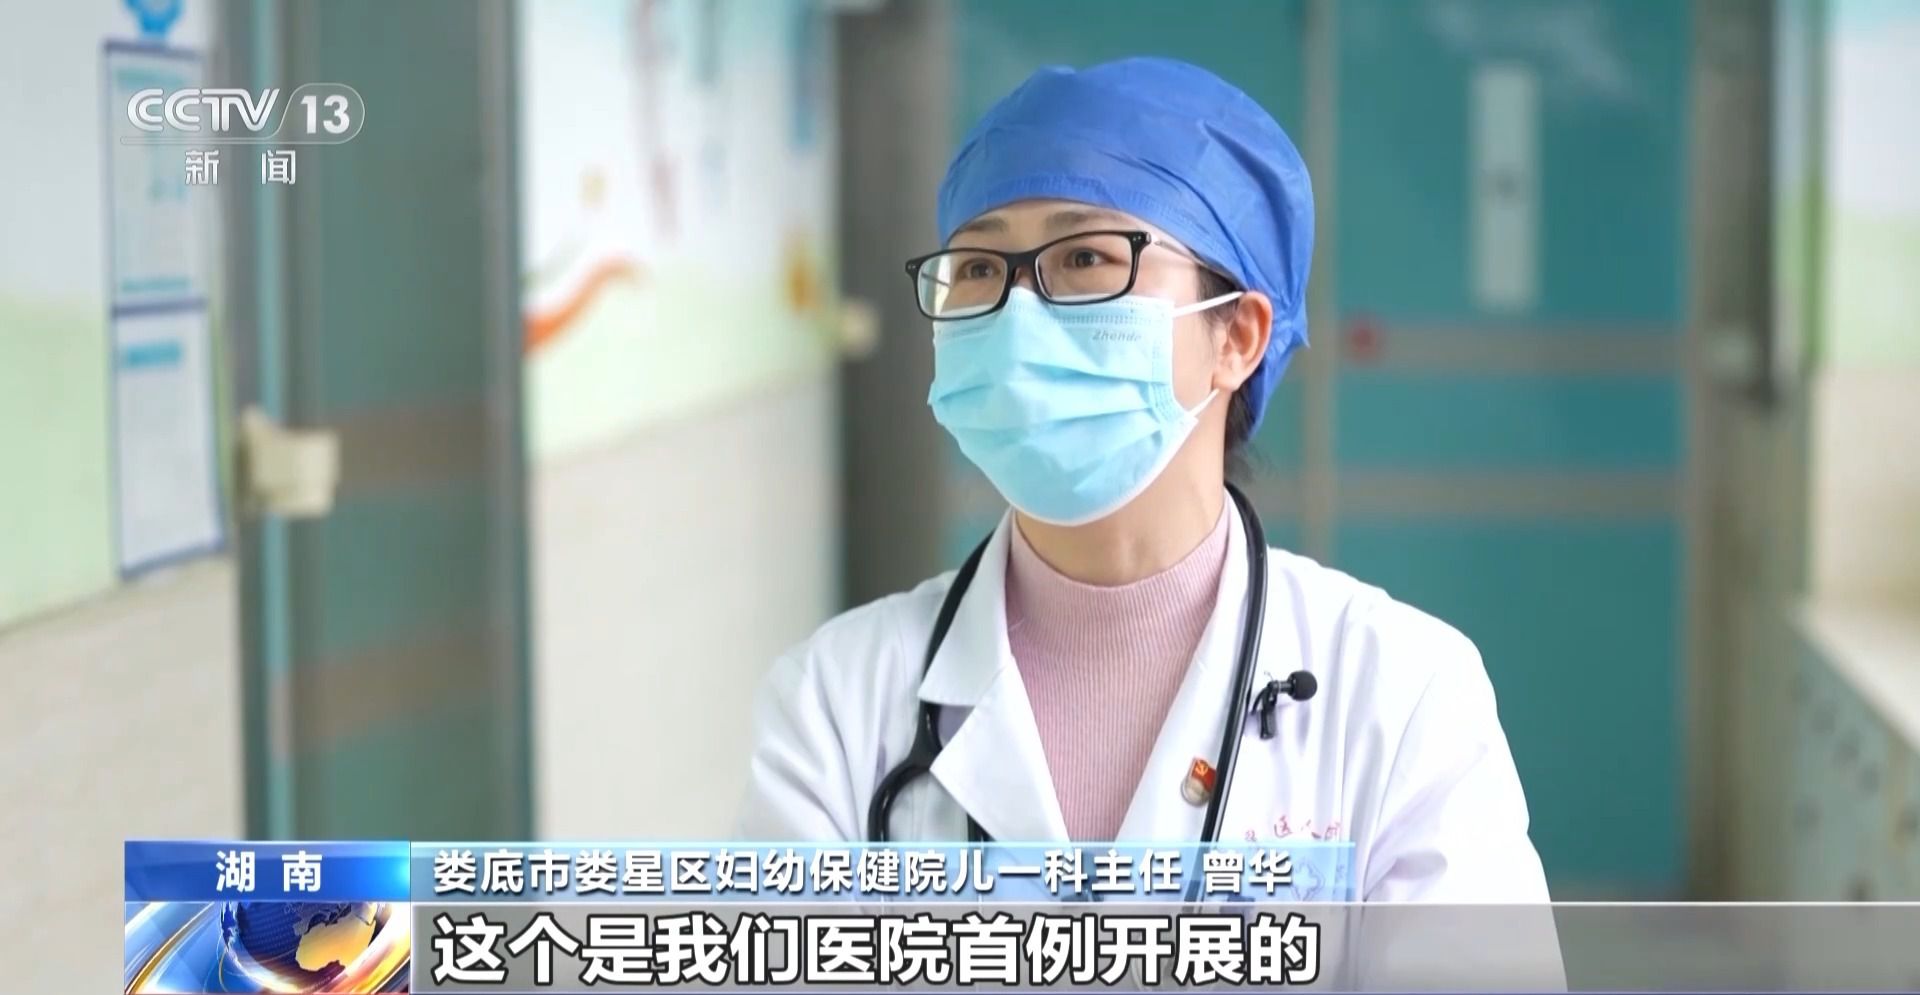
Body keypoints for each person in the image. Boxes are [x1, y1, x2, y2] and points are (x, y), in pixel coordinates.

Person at [736, 56, 1551, 904]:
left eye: (1086, 256)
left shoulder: (1400, 694)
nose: (1018, 311)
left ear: (1237, 336)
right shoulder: (839, 702)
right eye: (978, 268)